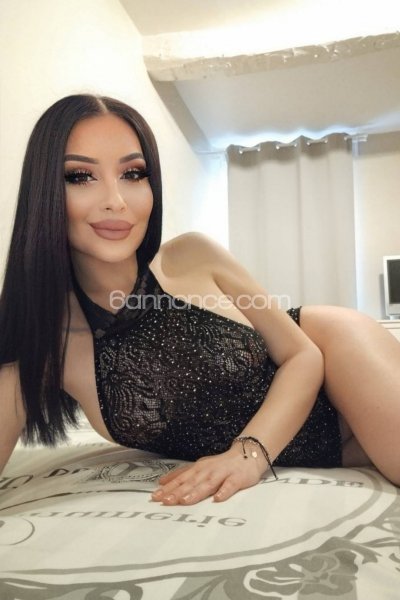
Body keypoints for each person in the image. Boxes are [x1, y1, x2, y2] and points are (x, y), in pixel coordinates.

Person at [0, 94, 399, 507]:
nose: (116, 200)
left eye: (133, 173)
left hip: (335, 349)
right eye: (81, 176)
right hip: (344, 451)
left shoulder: (191, 255)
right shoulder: (43, 345)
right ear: (43, 192)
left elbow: (303, 355)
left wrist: (247, 456)